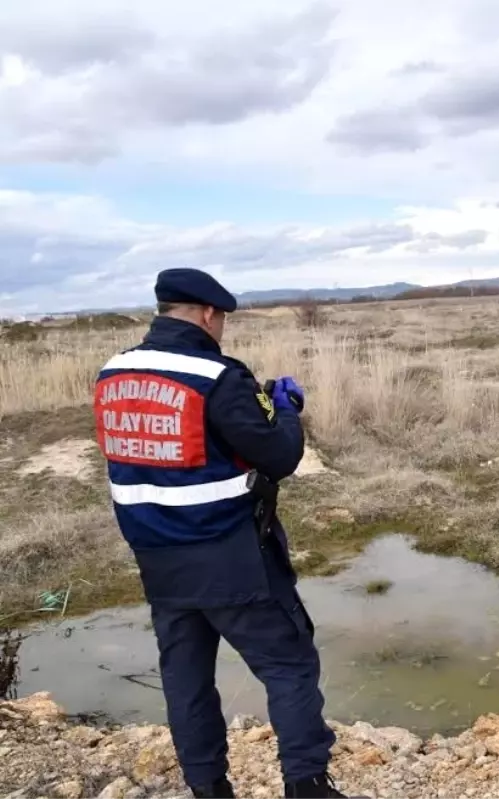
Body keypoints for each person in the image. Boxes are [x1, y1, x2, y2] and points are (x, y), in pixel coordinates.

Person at [91, 268, 363, 799]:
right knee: (289, 665)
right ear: (209, 314)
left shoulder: (113, 372)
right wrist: (283, 408)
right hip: (230, 555)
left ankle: (208, 787)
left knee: (186, 676)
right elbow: (279, 455)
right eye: (222, 322)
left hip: (156, 558)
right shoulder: (216, 375)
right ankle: (308, 786)